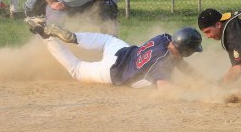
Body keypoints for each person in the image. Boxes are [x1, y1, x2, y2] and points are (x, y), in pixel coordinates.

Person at [25, 15, 203, 89]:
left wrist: (199, 79)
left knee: (103, 39)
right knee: (76, 69)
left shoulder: (164, 38)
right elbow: (166, 88)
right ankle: (45, 34)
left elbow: (178, 61)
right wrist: (191, 90)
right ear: (185, 51)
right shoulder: (160, 68)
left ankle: (74, 37)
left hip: (119, 49)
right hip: (111, 72)